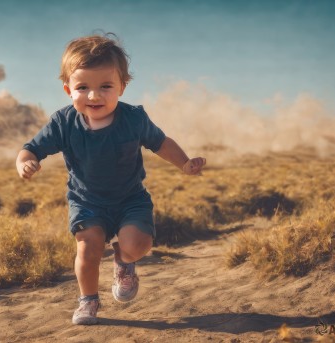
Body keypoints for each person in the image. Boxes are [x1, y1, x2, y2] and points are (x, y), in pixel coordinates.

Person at [16, 33, 205, 325]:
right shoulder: (63, 123)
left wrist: (184, 163)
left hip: (130, 199)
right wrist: (26, 162)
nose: (94, 95)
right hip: (87, 202)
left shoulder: (133, 119)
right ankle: (88, 301)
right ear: (68, 89)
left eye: (105, 86)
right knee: (88, 249)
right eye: (83, 87)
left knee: (138, 244)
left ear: (122, 86)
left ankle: (124, 261)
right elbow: (31, 148)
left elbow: (160, 142)